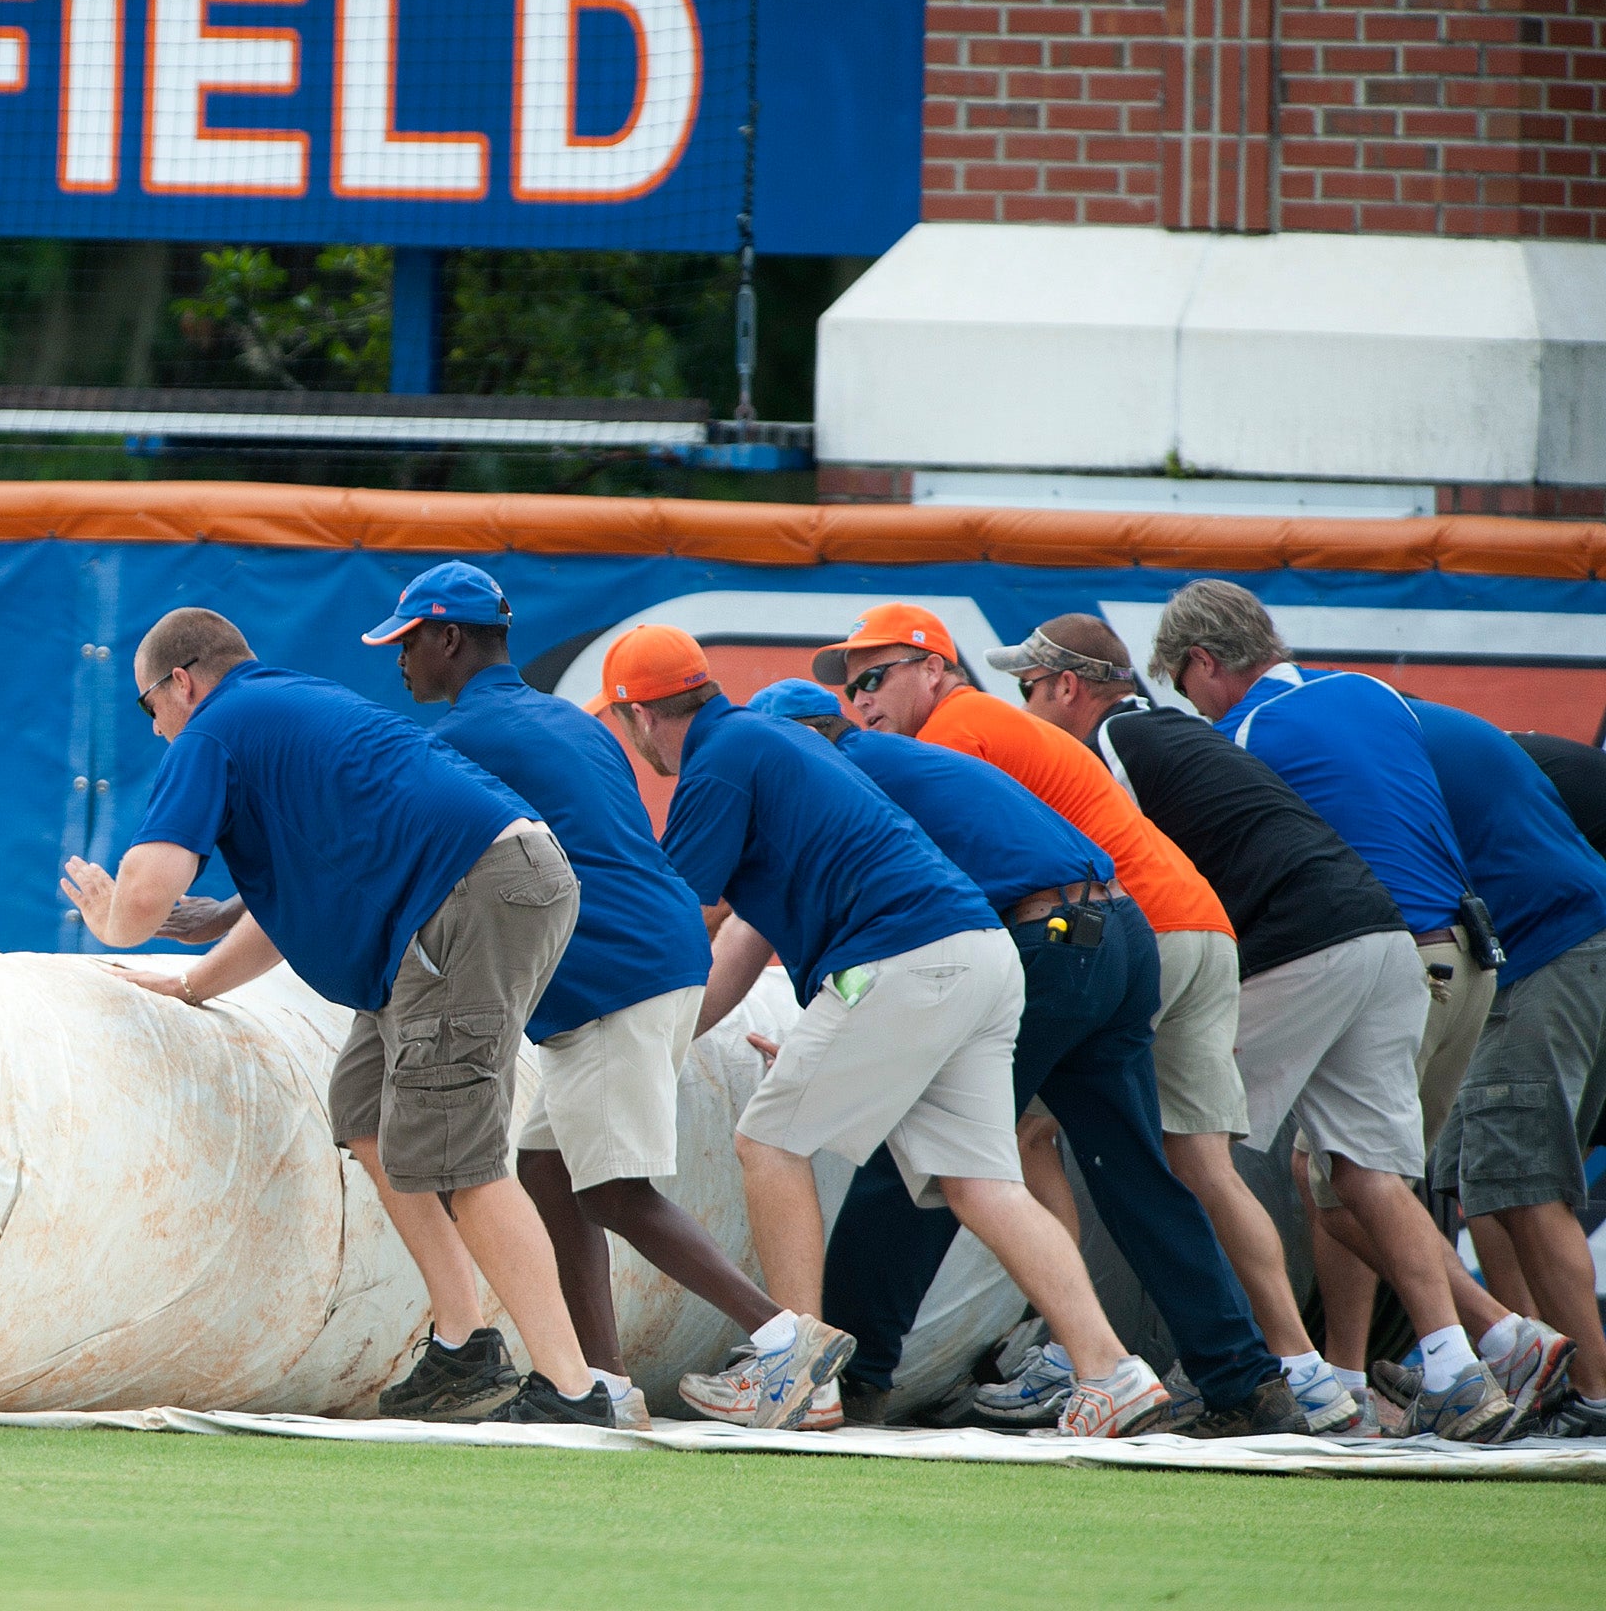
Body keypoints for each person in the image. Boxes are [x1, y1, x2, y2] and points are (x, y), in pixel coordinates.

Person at [592, 626, 1170, 1435]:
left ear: (641, 714)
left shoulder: (720, 758)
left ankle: (798, 1371)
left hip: (909, 962)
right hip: (984, 954)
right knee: (981, 1184)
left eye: (621, 724)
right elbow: (730, 945)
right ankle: (1111, 1371)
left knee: (769, 1143)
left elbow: (680, 912)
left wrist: (610, 1020)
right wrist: (672, 1036)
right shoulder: (775, 753)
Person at [61, 606, 617, 1427]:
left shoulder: (217, 727)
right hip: (469, 894)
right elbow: (284, 913)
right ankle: (465, 1345)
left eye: (149, 709)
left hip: (465, 898)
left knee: (459, 1158)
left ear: (181, 683)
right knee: (366, 1111)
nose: (156, 731)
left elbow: (144, 898)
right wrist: (194, 987)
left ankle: (571, 1389)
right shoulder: (282, 710)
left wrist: (112, 918)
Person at [744, 680, 1302, 1437]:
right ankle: (1244, 1380)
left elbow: (881, 924)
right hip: (1114, 931)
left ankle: (853, 1375)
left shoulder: (844, 778)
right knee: (1136, 1173)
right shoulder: (905, 757)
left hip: (1045, 941)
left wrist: (849, 1044)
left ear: (795, 746)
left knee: (921, 1152)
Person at [359, 563, 785, 1426]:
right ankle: (599, 1385)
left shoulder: (465, 738)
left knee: (614, 1193)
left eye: (406, 642)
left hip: (613, 975)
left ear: (447, 639)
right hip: (652, 958)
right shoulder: (567, 719)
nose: (397, 661)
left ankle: (785, 1341)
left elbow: (389, 856)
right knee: (549, 1173)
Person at [999, 613, 1405, 1434]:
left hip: (1170, 936)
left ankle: (1072, 1351)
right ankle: (1302, 1365)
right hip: (1228, 934)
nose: (1023, 707)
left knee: (1029, 1130)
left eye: (1027, 689)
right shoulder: (1178, 730)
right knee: (1206, 1161)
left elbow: (1080, 870)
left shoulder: (1103, 747)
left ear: (1068, 687)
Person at [1150, 579, 1516, 1439]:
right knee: (1358, 1175)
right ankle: (1449, 1362)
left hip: (1345, 946)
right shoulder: (1370, 691)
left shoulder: (1237, 736)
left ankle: (1276, 1363)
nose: (1191, 709)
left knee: (1193, 1141)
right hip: (1455, 952)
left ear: (1205, 663)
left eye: (1184, 685)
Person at [1405, 697, 1606, 1436]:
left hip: (1550, 947)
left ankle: (1589, 1393)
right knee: (1484, 1181)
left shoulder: (1364, 740)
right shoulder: (1431, 734)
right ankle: (1538, 1374)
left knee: (1524, 1187)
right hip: (1544, 948)